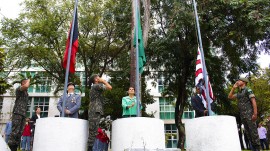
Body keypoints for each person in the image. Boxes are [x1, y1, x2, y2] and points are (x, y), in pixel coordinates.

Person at [228, 76, 260, 151]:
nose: (238, 82)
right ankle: (253, 149)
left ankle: (258, 149)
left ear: (244, 82)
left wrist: (255, 114)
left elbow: (253, 101)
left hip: (250, 115)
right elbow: (230, 97)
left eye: (239, 80)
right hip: (243, 116)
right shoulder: (239, 93)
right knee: (248, 134)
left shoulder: (248, 90)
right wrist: (233, 88)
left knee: (254, 133)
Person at [88, 74, 112, 151]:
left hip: (94, 110)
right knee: (93, 131)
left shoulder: (95, 87)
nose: (100, 78)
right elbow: (109, 87)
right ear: (95, 80)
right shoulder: (96, 86)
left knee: (94, 130)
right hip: (95, 110)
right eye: (98, 77)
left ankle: (91, 148)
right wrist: (104, 81)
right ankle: (90, 149)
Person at [8, 79, 30, 151]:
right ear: (23, 83)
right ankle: (11, 148)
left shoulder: (26, 93)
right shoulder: (19, 89)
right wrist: (29, 80)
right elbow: (26, 86)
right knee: (15, 131)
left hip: (23, 115)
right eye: (26, 82)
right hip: (17, 113)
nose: (28, 83)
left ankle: (15, 148)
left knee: (20, 133)